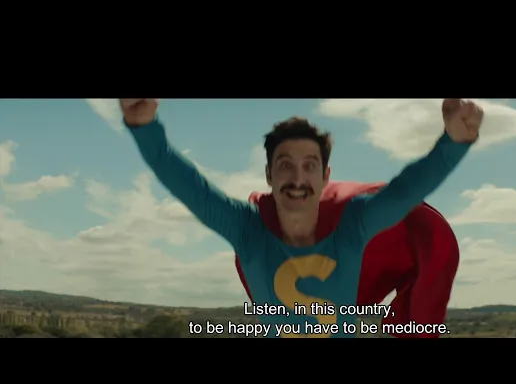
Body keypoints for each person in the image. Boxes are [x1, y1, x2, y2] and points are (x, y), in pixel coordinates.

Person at [120, 98, 484, 338]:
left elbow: (405, 192)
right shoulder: (248, 230)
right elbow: (190, 188)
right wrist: (144, 126)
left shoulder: (351, 226)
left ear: (325, 177)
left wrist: (453, 143)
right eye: (285, 165)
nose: (297, 178)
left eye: (310, 166)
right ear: (269, 175)